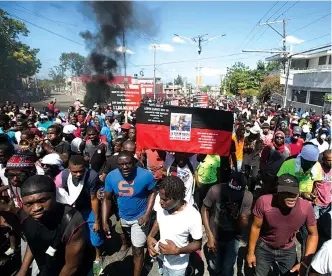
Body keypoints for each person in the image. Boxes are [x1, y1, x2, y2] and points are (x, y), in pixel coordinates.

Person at [0, 175, 89, 276]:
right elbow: (32, 239)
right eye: (29, 204)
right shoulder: (25, 216)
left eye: (42, 201)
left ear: (54, 196)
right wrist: (23, 270)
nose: (36, 208)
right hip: (46, 266)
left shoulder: (71, 220)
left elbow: (71, 267)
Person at [247, 174, 318, 276]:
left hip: (288, 250)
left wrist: (305, 263)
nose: (292, 196)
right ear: (277, 192)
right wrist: (250, 253)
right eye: (287, 193)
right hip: (264, 247)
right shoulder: (264, 202)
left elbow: (313, 234)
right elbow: (255, 227)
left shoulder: (306, 208)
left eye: (294, 192)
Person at [103, 150, 156, 276]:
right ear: (117, 164)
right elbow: (107, 198)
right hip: (123, 217)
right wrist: (104, 220)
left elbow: (152, 192)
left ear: (134, 162)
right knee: (130, 240)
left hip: (140, 217)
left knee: (137, 250)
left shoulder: (146, 175)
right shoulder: (111, 177)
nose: (125, 167)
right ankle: (129, 246)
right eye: (121, 164)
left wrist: (147, 214)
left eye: (128, 163)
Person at [56, 155, 103, 274]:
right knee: (80, 236)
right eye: (74, 172)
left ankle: (98, 256)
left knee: (95, 236)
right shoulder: (65, 175)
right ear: (68, 169)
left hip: (90, 207)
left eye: (81, 171)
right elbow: (64, 194)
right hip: (75, 208)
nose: (78, 174)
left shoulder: (91, 176)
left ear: (85, 167)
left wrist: (97, 221)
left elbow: (94, 199)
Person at [147, 176, 202, 276]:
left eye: (165, 199)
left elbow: (197, 244)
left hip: (178, 265)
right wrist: (150, 236)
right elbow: (159, 219)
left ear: (177, 198)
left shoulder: (192, 215)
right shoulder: (161, 202)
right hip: (161, 257)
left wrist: (177, 250)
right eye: (160, 197)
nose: (160, 202)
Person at [202, 172, 253, 276]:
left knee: (228, 266)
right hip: (215, 234)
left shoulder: (247, 196)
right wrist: (209, 235)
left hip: (233, 237)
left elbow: (243, 224)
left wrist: (236, 214)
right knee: (214, 266)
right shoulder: (215, 190)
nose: (232, 198)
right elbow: (204, 209)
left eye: (236, 196)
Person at [242, 125, 263, 192]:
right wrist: (248, 147)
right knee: (246, 174)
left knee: (254, 176)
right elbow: (244, 148)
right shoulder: (247, 138)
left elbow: (260, 149)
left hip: (256, 159)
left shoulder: (260, 141)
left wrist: (255, 148)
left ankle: (251, 190)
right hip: (247, 158)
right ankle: (243, 188)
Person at [313, 150, 331, 219]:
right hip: (317, 203)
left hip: (328, 203)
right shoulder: (318, 169)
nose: (331, 163)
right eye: (329, 160)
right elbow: (313, 183)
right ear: (323, 160)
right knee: (315, 222)